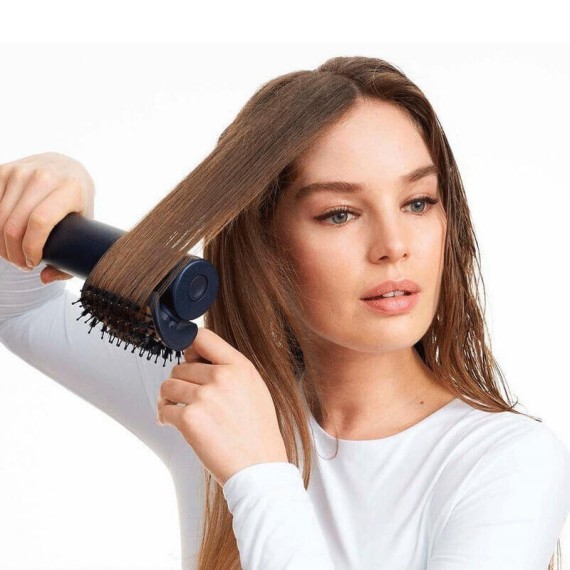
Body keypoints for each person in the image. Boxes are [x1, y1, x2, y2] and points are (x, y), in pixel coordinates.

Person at [1, 56, 570, 570]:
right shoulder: (211, 398)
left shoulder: (505, 461)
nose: (394, 245)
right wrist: (47, 186)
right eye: (340, 213)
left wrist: (258, 477)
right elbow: (16, 310)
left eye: (418, 202)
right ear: (265, 243)